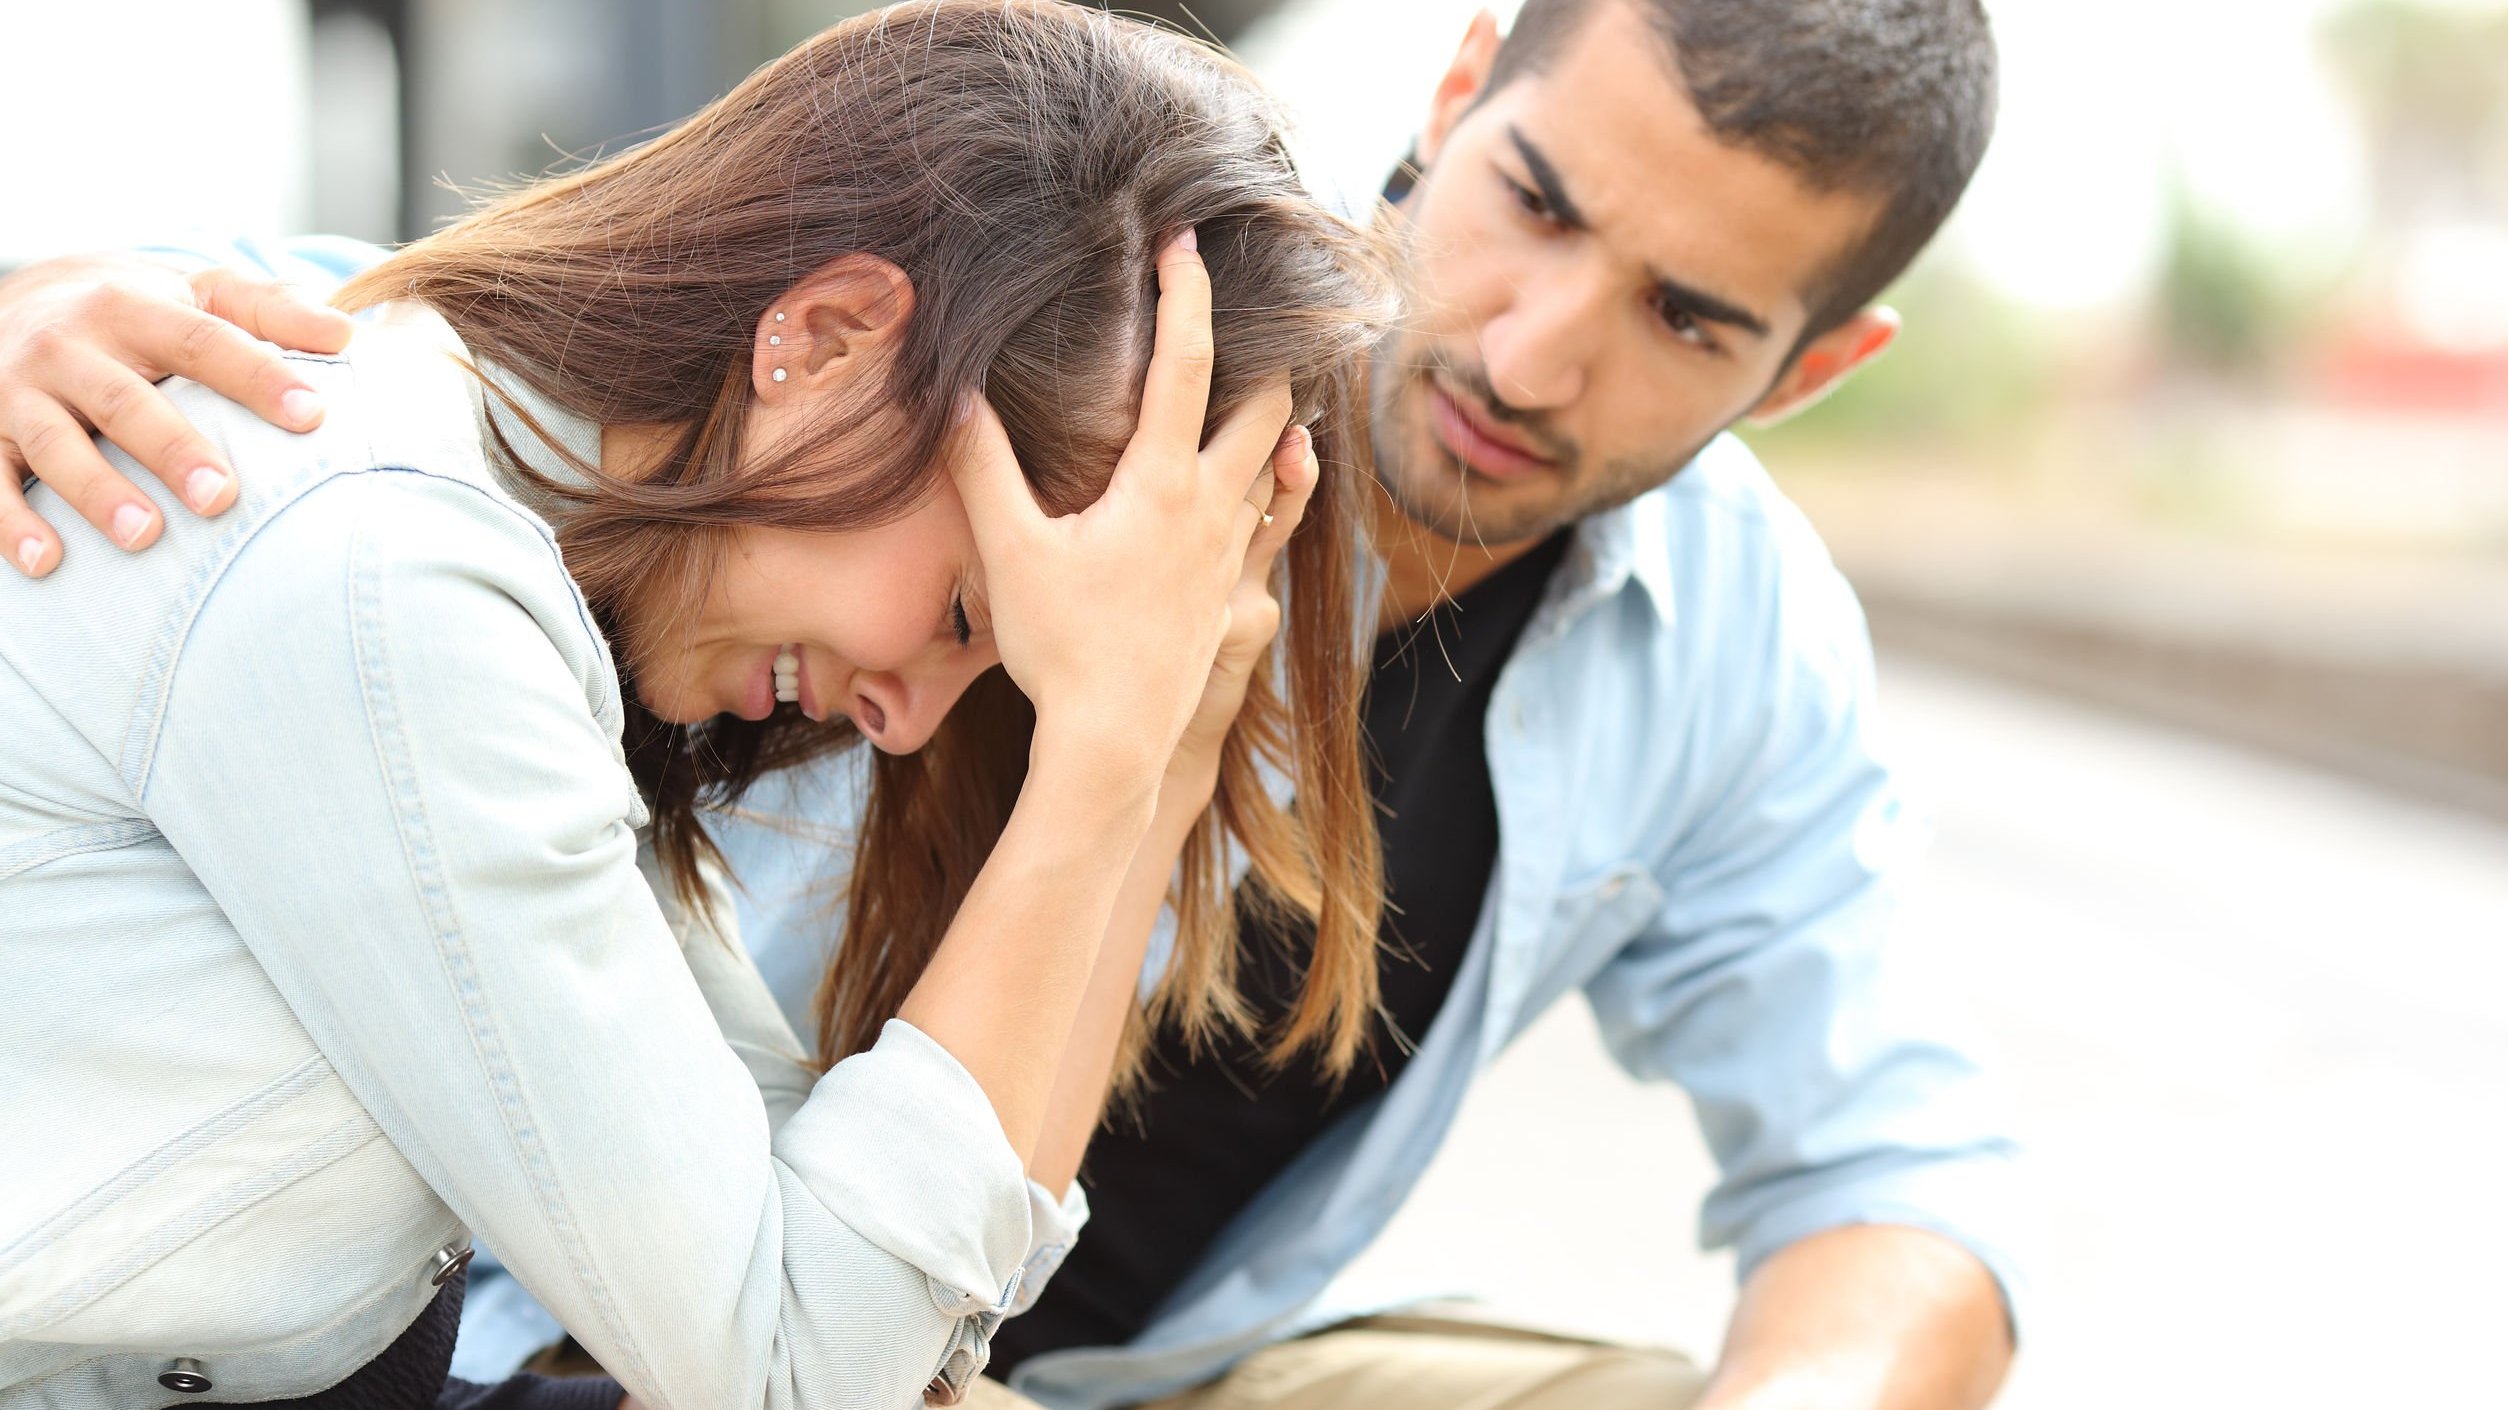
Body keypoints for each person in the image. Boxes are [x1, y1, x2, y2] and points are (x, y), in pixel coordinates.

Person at [0, 2, 2024, 1409]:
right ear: (1466, 84)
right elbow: (509, 361)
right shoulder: (1103, 342)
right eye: (1544, 204)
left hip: (1077, 1356)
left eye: (1690, 317)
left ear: (1815, 365)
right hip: (622, 1327)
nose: (1533, 349)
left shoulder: (1730, 641)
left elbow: (1896, 1179)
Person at [0, 3, 1398, 1407]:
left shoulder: (547, 565)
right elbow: (793, 1371)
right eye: (969, 612)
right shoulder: (388, 586)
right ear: (831, 341)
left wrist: (1164, 749)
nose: (905, 723)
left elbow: (912, 1318)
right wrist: (1099, 755)